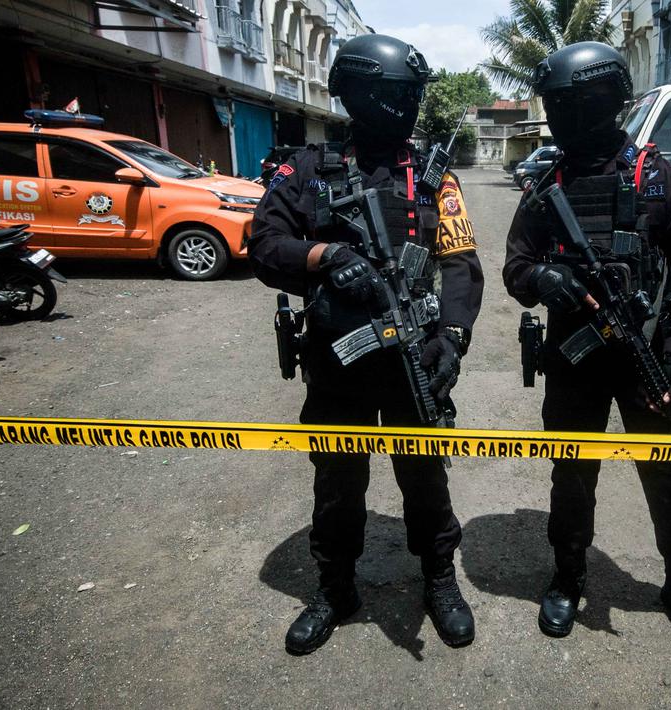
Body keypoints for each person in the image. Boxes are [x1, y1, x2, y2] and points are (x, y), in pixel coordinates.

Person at [248, 34, 484, 654]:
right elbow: (264, 246)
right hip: (338, 362)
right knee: (337, 481)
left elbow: (460, 267)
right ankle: (334, 589)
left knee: (426, 477)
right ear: (357, 96)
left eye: (411, 96)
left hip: (415, 360)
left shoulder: (434, 177)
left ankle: (439, 579)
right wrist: (323, 255)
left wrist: (453, 341)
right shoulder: (307, 170)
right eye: (394, 95)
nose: (405, 107)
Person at [502, 42, 671, 654]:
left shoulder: (659, 178)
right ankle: (568, 578)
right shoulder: (547, 185)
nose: (566, 118)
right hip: (575, 362)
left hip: (647, 360)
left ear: (606, 102)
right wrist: (543, 278)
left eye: (576, 105)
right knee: (571, 477)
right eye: (558, 107)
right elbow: (515, 267)